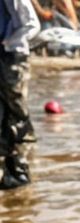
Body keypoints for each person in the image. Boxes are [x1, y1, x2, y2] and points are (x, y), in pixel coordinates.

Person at [0, 0, 39, 190]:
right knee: (4, 113)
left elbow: (33, 25)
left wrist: (10, 41)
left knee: (16, 108)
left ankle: (20, 168)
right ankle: (9, 171)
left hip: (14, 55)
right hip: (3, 54)